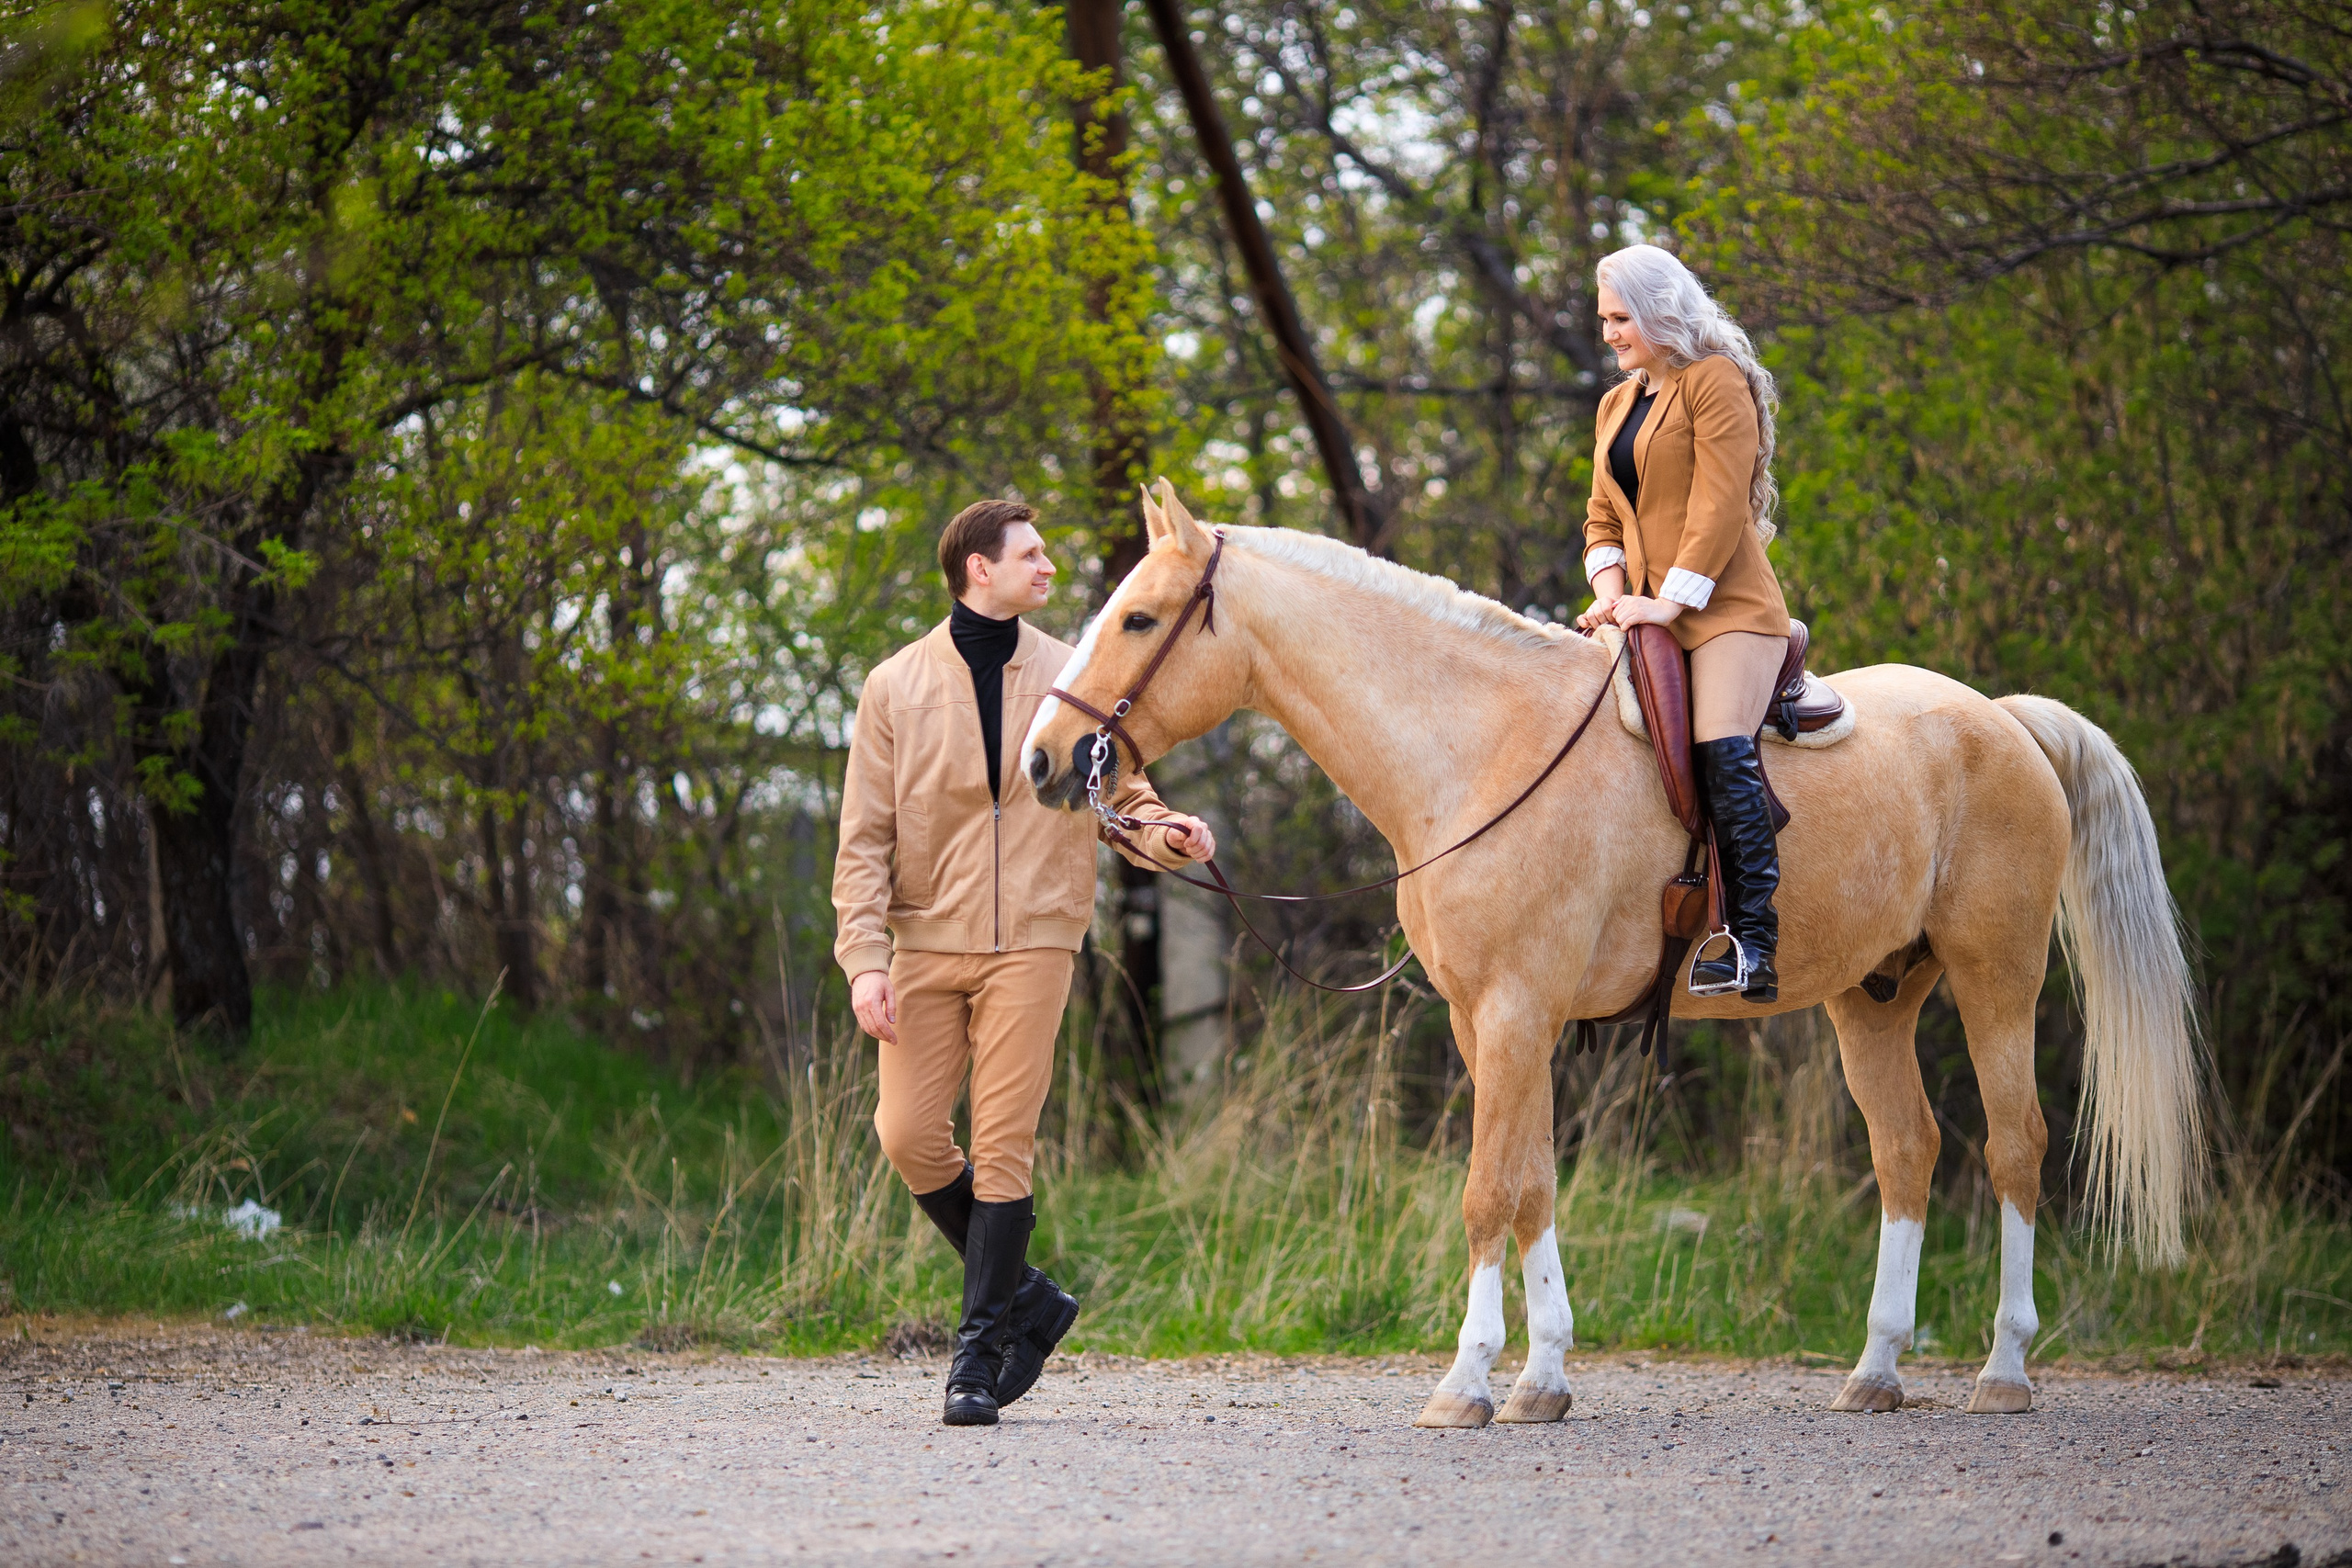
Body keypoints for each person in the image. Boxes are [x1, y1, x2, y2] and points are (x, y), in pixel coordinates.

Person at [831, 499, 1216, 1427]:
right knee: (908, 1134)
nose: (1048, 566)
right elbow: (862, 840)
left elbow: (1118, 792)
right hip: (923, 943)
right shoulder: (893, 685)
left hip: (1036, 940)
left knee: (1003, 1146)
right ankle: (1032, 1300)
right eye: (1030, 554)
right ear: (977, 570)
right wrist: (864, 960)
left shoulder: (1069, 673)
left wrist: (1168, 834)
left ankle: (976, 1360)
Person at [1574, 244, 1792, 1003]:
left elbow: (1721, 504)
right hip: (1641, 611)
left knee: (1720, 746)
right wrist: (1609, 586)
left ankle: (1750, 943)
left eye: (1620, 317)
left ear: (1661, 311)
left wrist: (1668, 600)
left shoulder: (1714, 382)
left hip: (1728, 612)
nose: (1609, 333)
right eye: (1603, 318)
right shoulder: (1616, 404)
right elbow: (1602, 514)